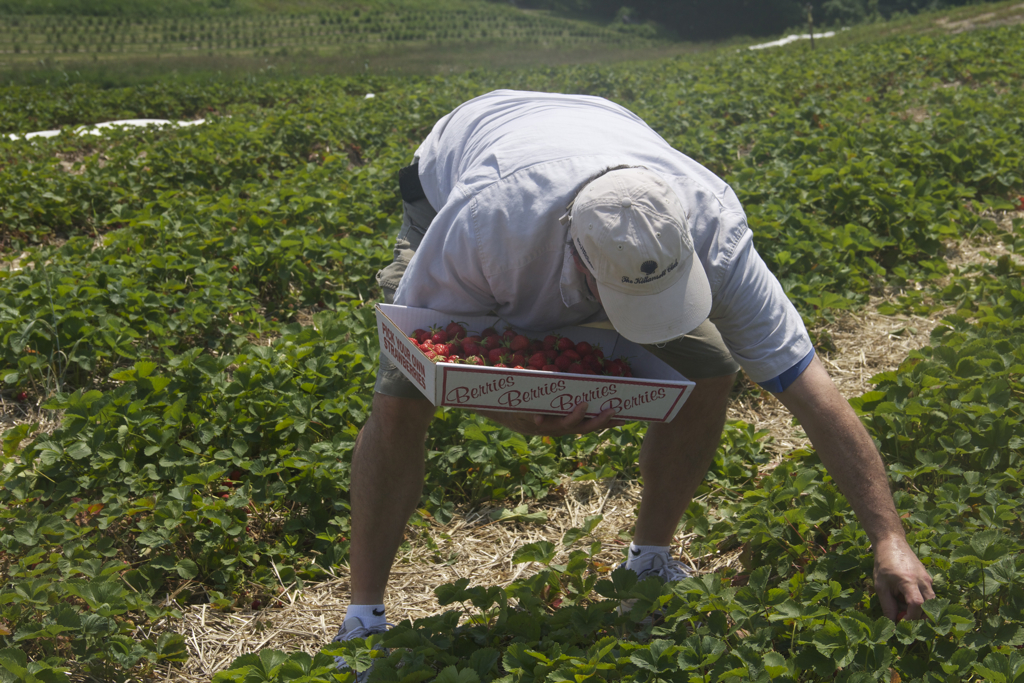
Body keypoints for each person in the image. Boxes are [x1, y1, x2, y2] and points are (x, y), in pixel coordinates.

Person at [332, 89, 934, 667]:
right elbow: (424, 352)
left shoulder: (712, 228)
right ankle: (362, 619)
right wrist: (515, 407)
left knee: (711, 367)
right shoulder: (484, 227)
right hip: (458, 170)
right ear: (579, 263)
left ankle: (647, 562)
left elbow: (812, 390)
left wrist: (888, 538)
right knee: (399, 403)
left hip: (592, 131)